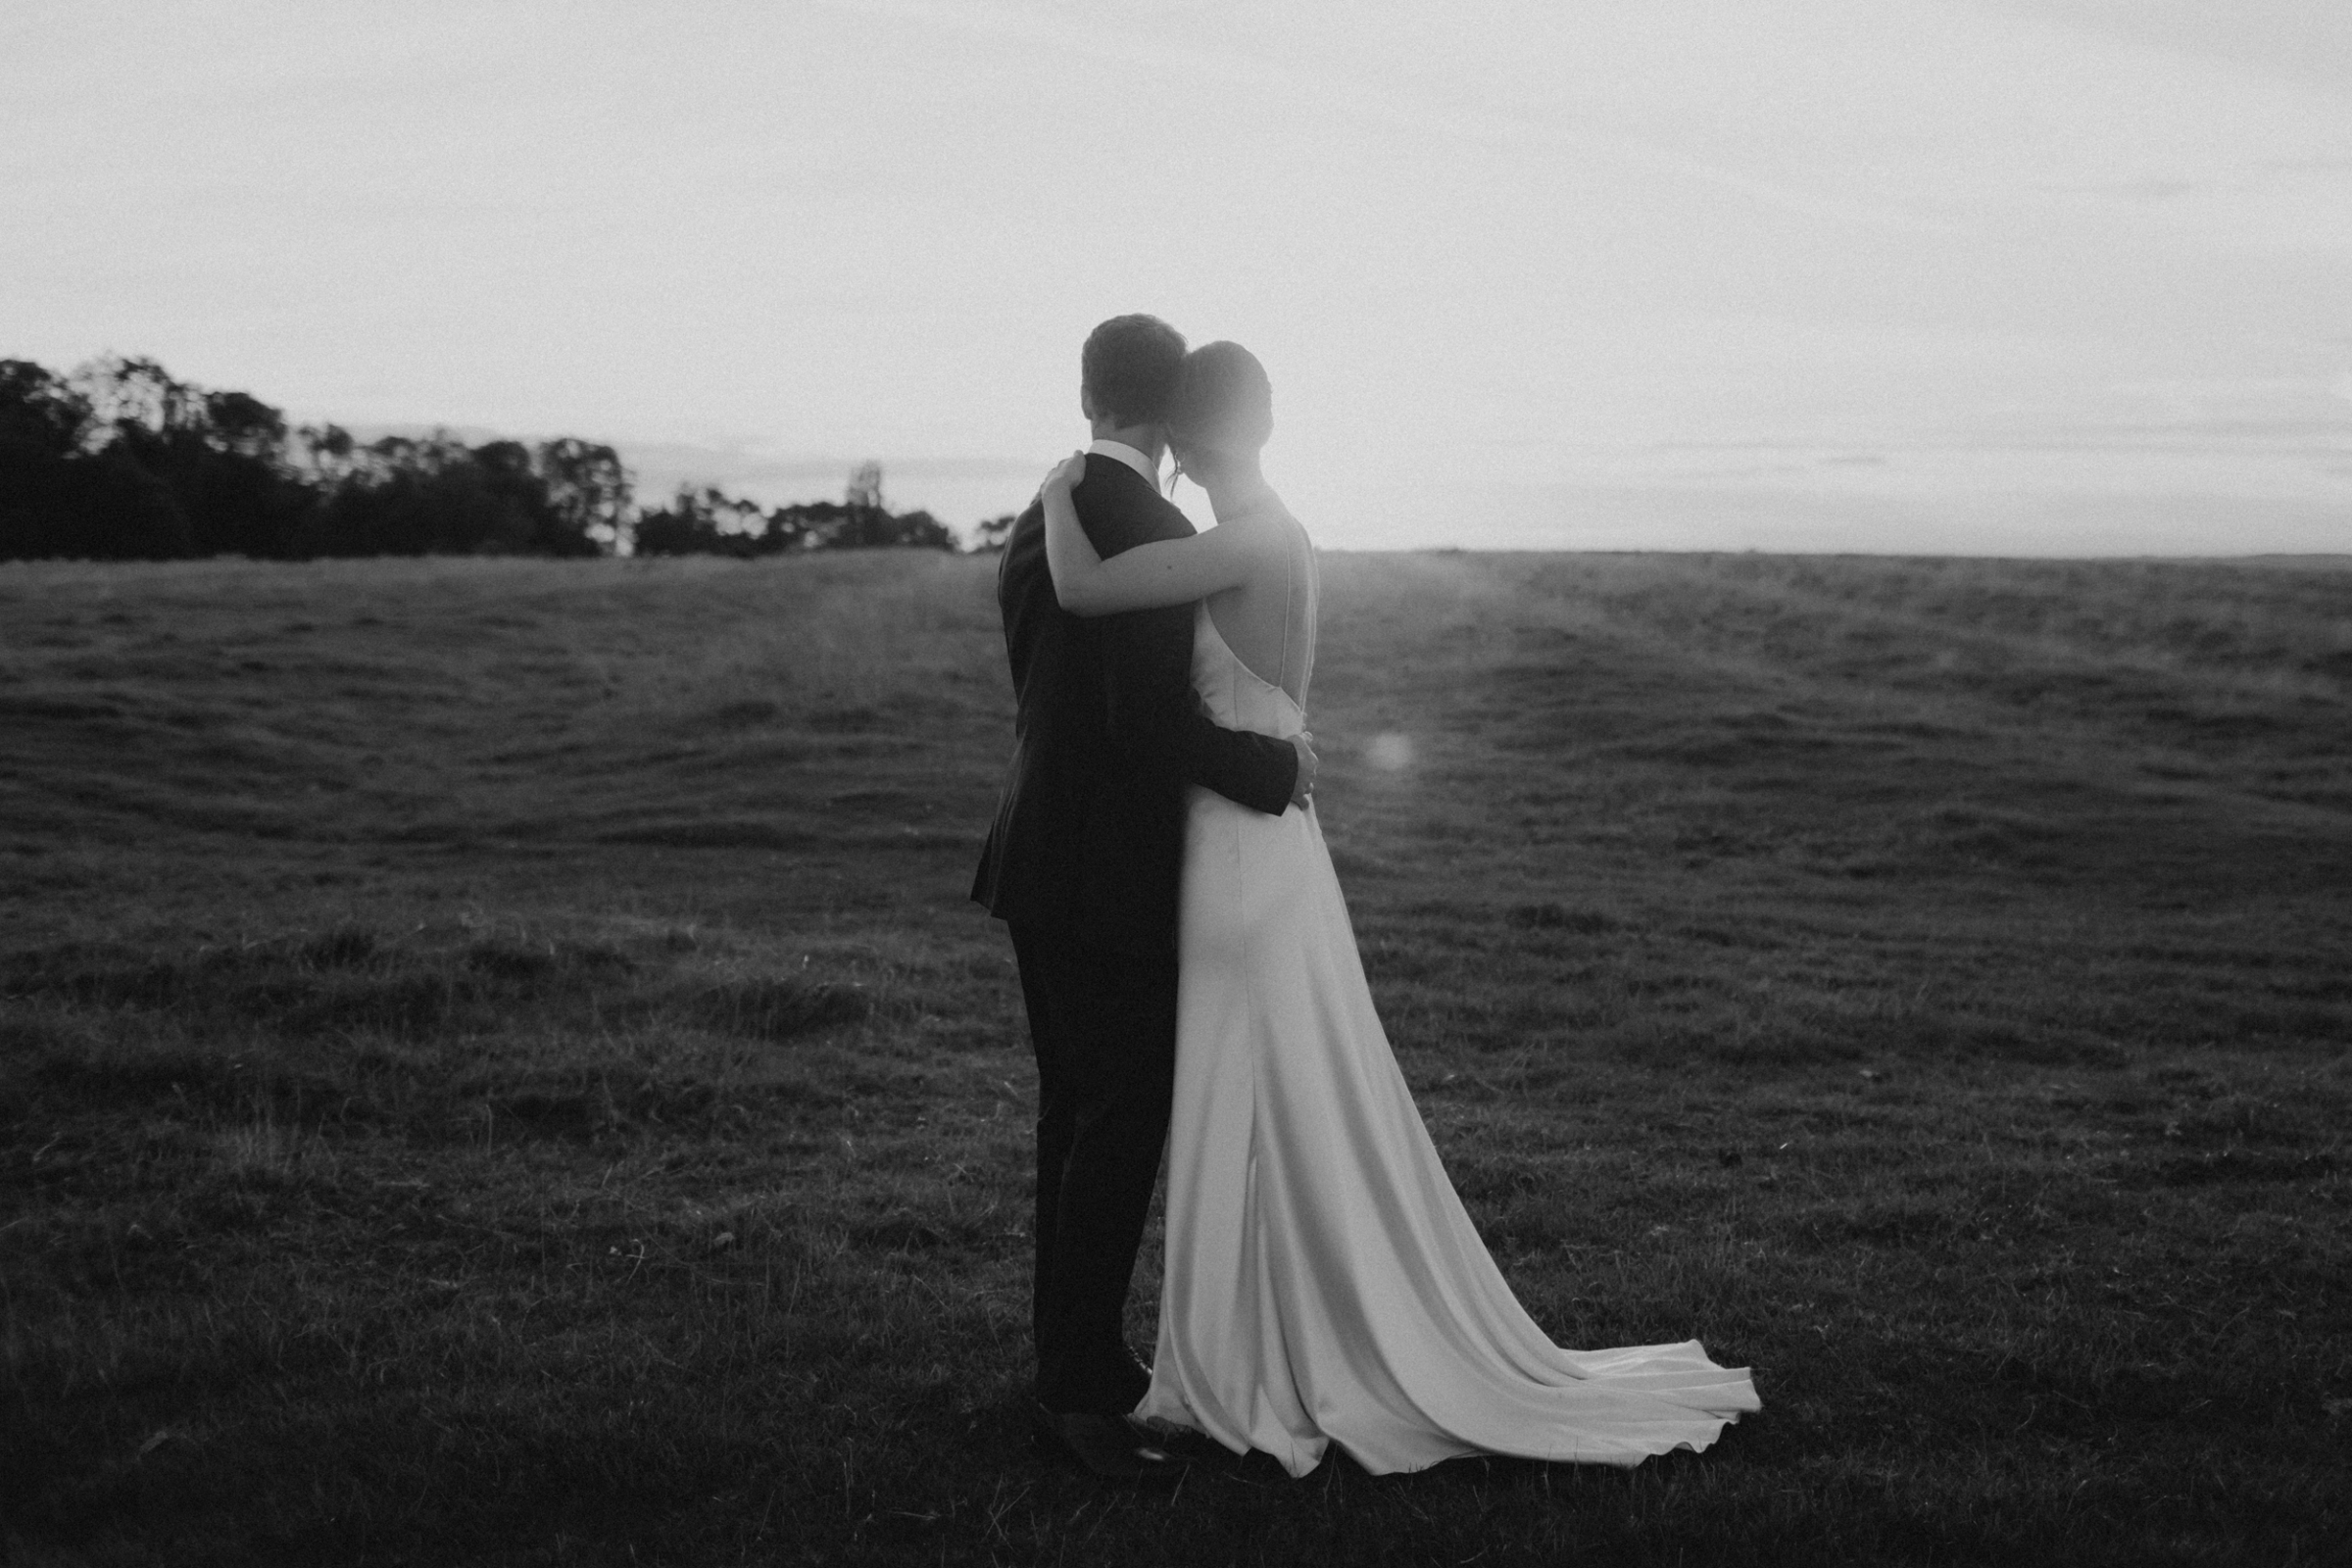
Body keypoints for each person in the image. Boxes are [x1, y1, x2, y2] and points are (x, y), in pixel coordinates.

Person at [1036, 339, 1761, 1477]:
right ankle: (1267, 1341)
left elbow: (1083, 589)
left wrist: (1054, 494)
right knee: (1275, 1101)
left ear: (1183, 437)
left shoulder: (1240, 541)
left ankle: (1251, 1361)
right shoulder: (1286, 532)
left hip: (1231, 860)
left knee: (1244, 1102)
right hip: (1273, 851)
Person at [970, 315, 1317, 1481]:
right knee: (1118, 1120)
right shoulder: (1154, 525)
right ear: (1168, 413)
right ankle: (1075, 1389)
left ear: (1085, 393)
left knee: (1073, 1114)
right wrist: (1276, 768)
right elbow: (1145, 722)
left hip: (1032, 855)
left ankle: (1074, 1356)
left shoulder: (1046, 508)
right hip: (1112, 868)